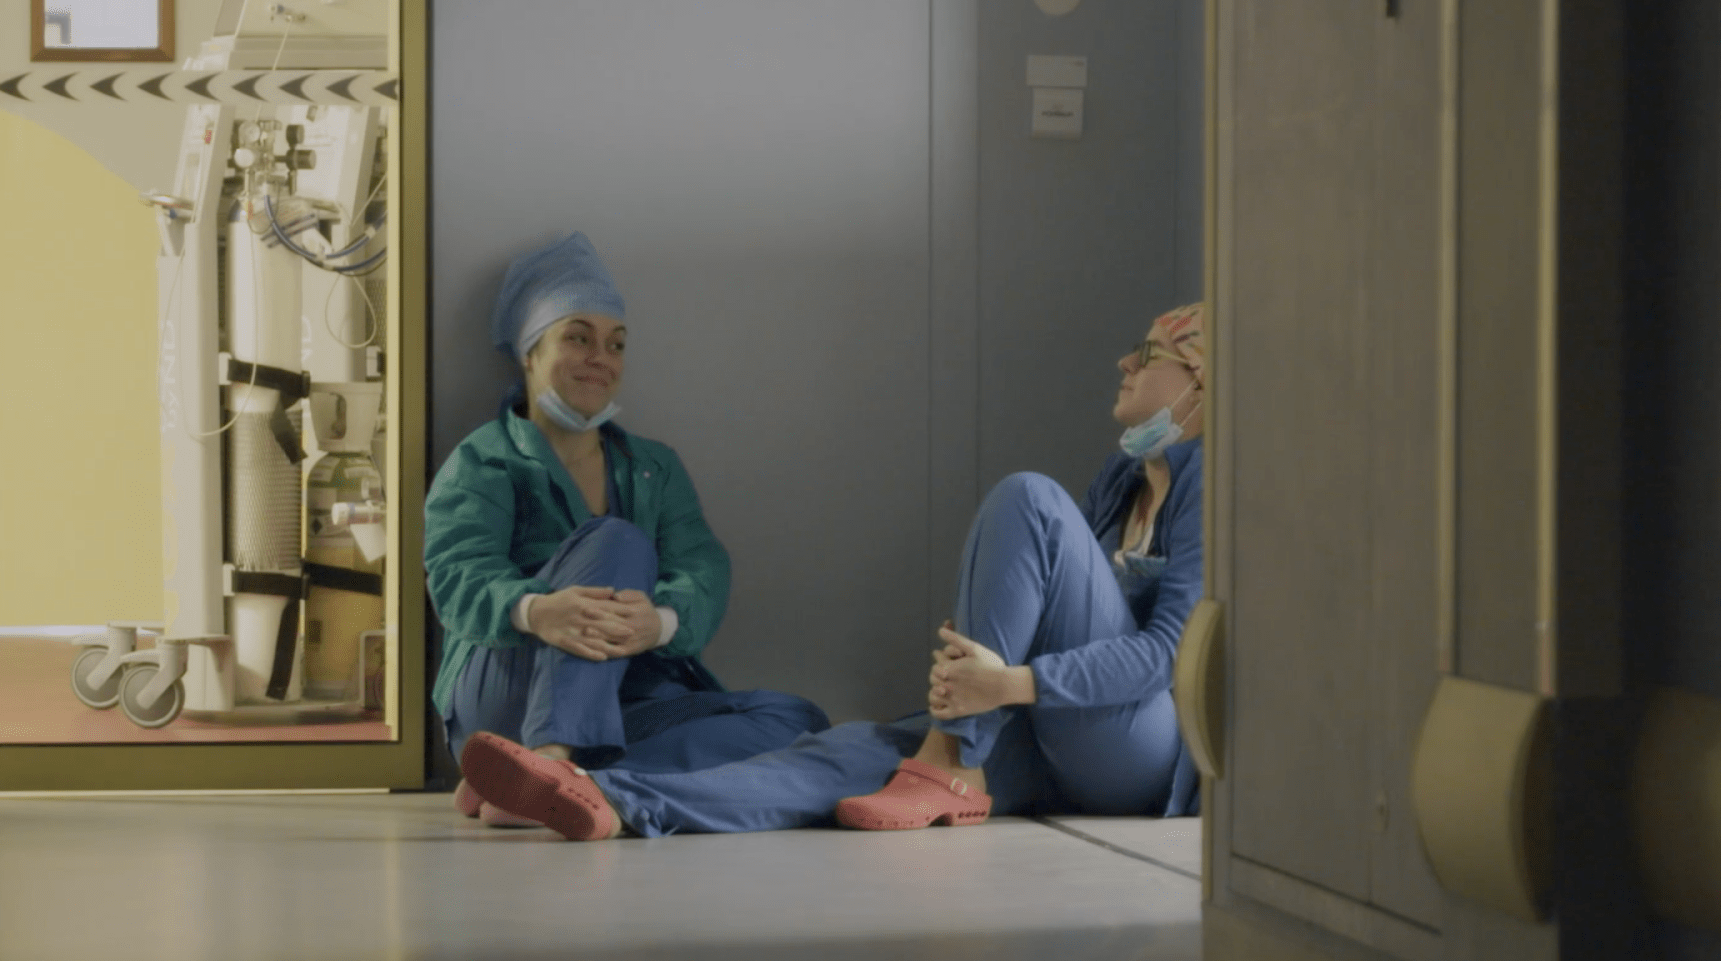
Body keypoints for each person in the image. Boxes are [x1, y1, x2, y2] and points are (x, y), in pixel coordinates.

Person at [456, 303, 1210, 841]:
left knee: (1029, 498)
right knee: (852, 752)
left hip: (1133, 750)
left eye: (1148, 355)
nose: (1125, 363)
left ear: (1202, 381)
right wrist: (981, 662)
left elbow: (1165, 657)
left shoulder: (1212, 480)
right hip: (1043, 732)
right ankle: (606, 799)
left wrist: (1008, 683)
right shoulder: (1121, 482)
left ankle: (951, 755)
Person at [425, 233, 829, 824]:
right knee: (616, 540)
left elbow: (703, 569)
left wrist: (658, 623)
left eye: (615, 344)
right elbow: (457, 575)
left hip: (624, 704)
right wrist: (537, 611)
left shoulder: (653, 467)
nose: (601, 357)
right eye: (578, 337)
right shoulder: (484, 461)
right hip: (507, 692)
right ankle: (549, 756)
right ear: (529, 353)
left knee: (795, 721)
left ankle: (563, 783)